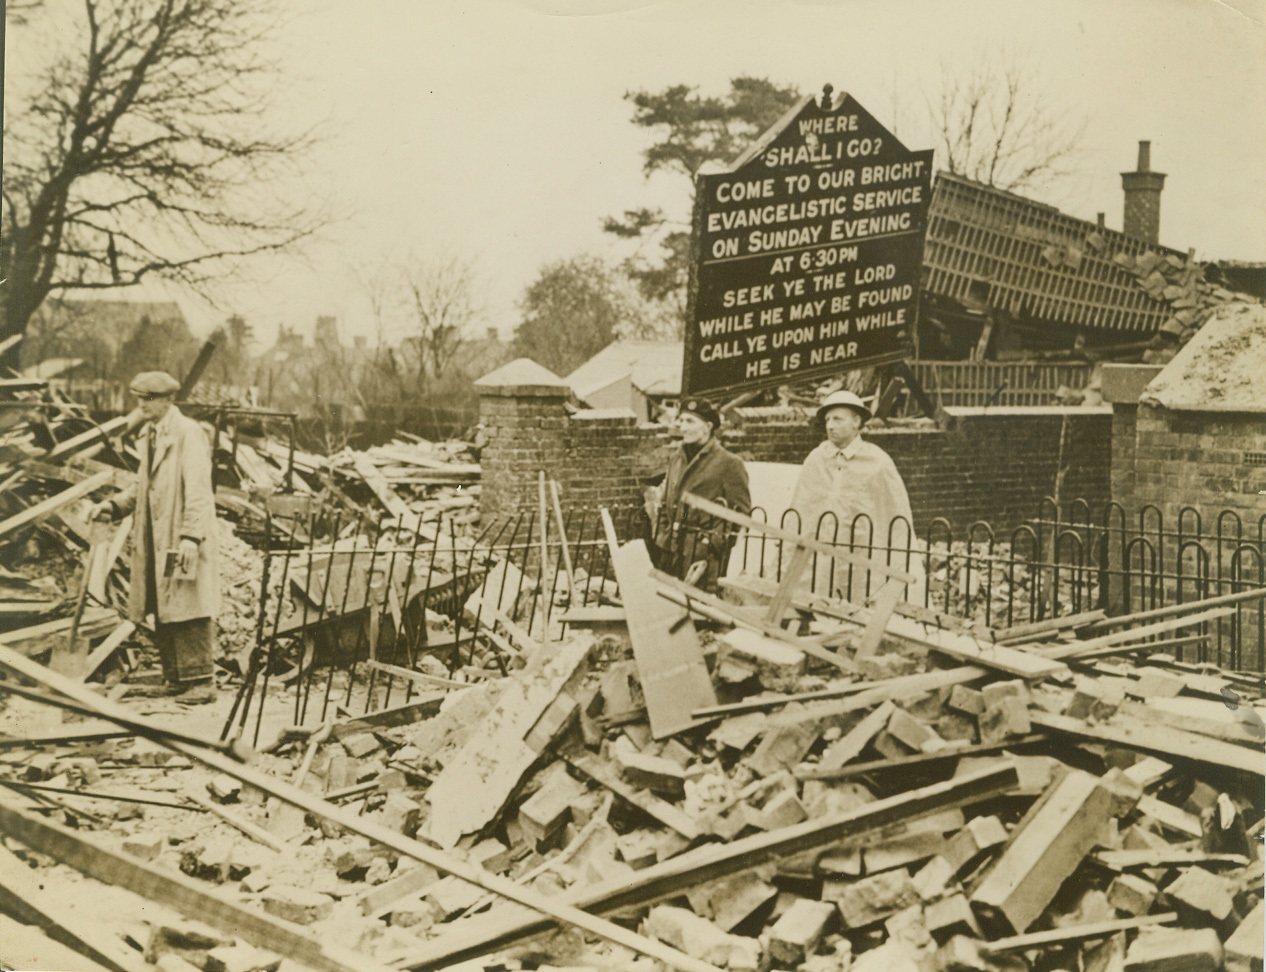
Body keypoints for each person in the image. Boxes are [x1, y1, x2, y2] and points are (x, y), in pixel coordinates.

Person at [92, 371, 220, 704]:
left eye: (148, 399)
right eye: (139, 399)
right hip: (156, 532)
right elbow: (141, 485)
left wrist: (192, 536)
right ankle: (176, 677)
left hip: (181, 531)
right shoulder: (151, 434)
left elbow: (199, 490)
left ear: (168, 400)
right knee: (163, 603)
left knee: (187, 604)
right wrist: (114, 506)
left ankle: (202, 681)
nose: (142, 406)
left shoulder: (188, 434)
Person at [790, 389, 914, 597]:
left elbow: (895, 516)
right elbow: (800, 511)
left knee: (856, 599)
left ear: (856, 422)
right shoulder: (816, 459)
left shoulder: (878, 462)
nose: (830, 426)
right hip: (819, 554)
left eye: (838, 419)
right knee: (816, 595)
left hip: (859, 553)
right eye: (828, 419)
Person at [651, 397, 751, 589]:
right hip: (670, 553)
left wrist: (711, 545)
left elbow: (741, 514)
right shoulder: (676, 459)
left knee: (699, 614)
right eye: (681, 420)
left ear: (707, 426)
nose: (683, 427)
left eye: (690, 421)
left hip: (702, 560)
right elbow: (666, 502)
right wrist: (663, 537)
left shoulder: (729, 464)